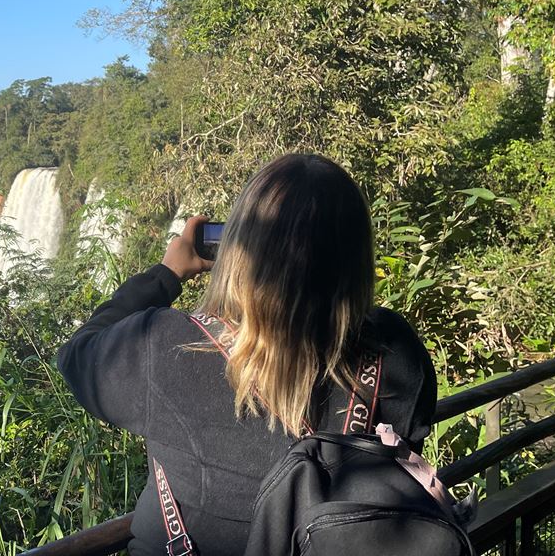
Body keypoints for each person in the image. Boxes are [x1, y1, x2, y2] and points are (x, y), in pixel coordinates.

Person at [57, 153, 437, 556]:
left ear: (237, 249)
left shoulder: (166, 345)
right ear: (355, 256)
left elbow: (77, 355)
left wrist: (167, 274)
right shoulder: (394, 350)